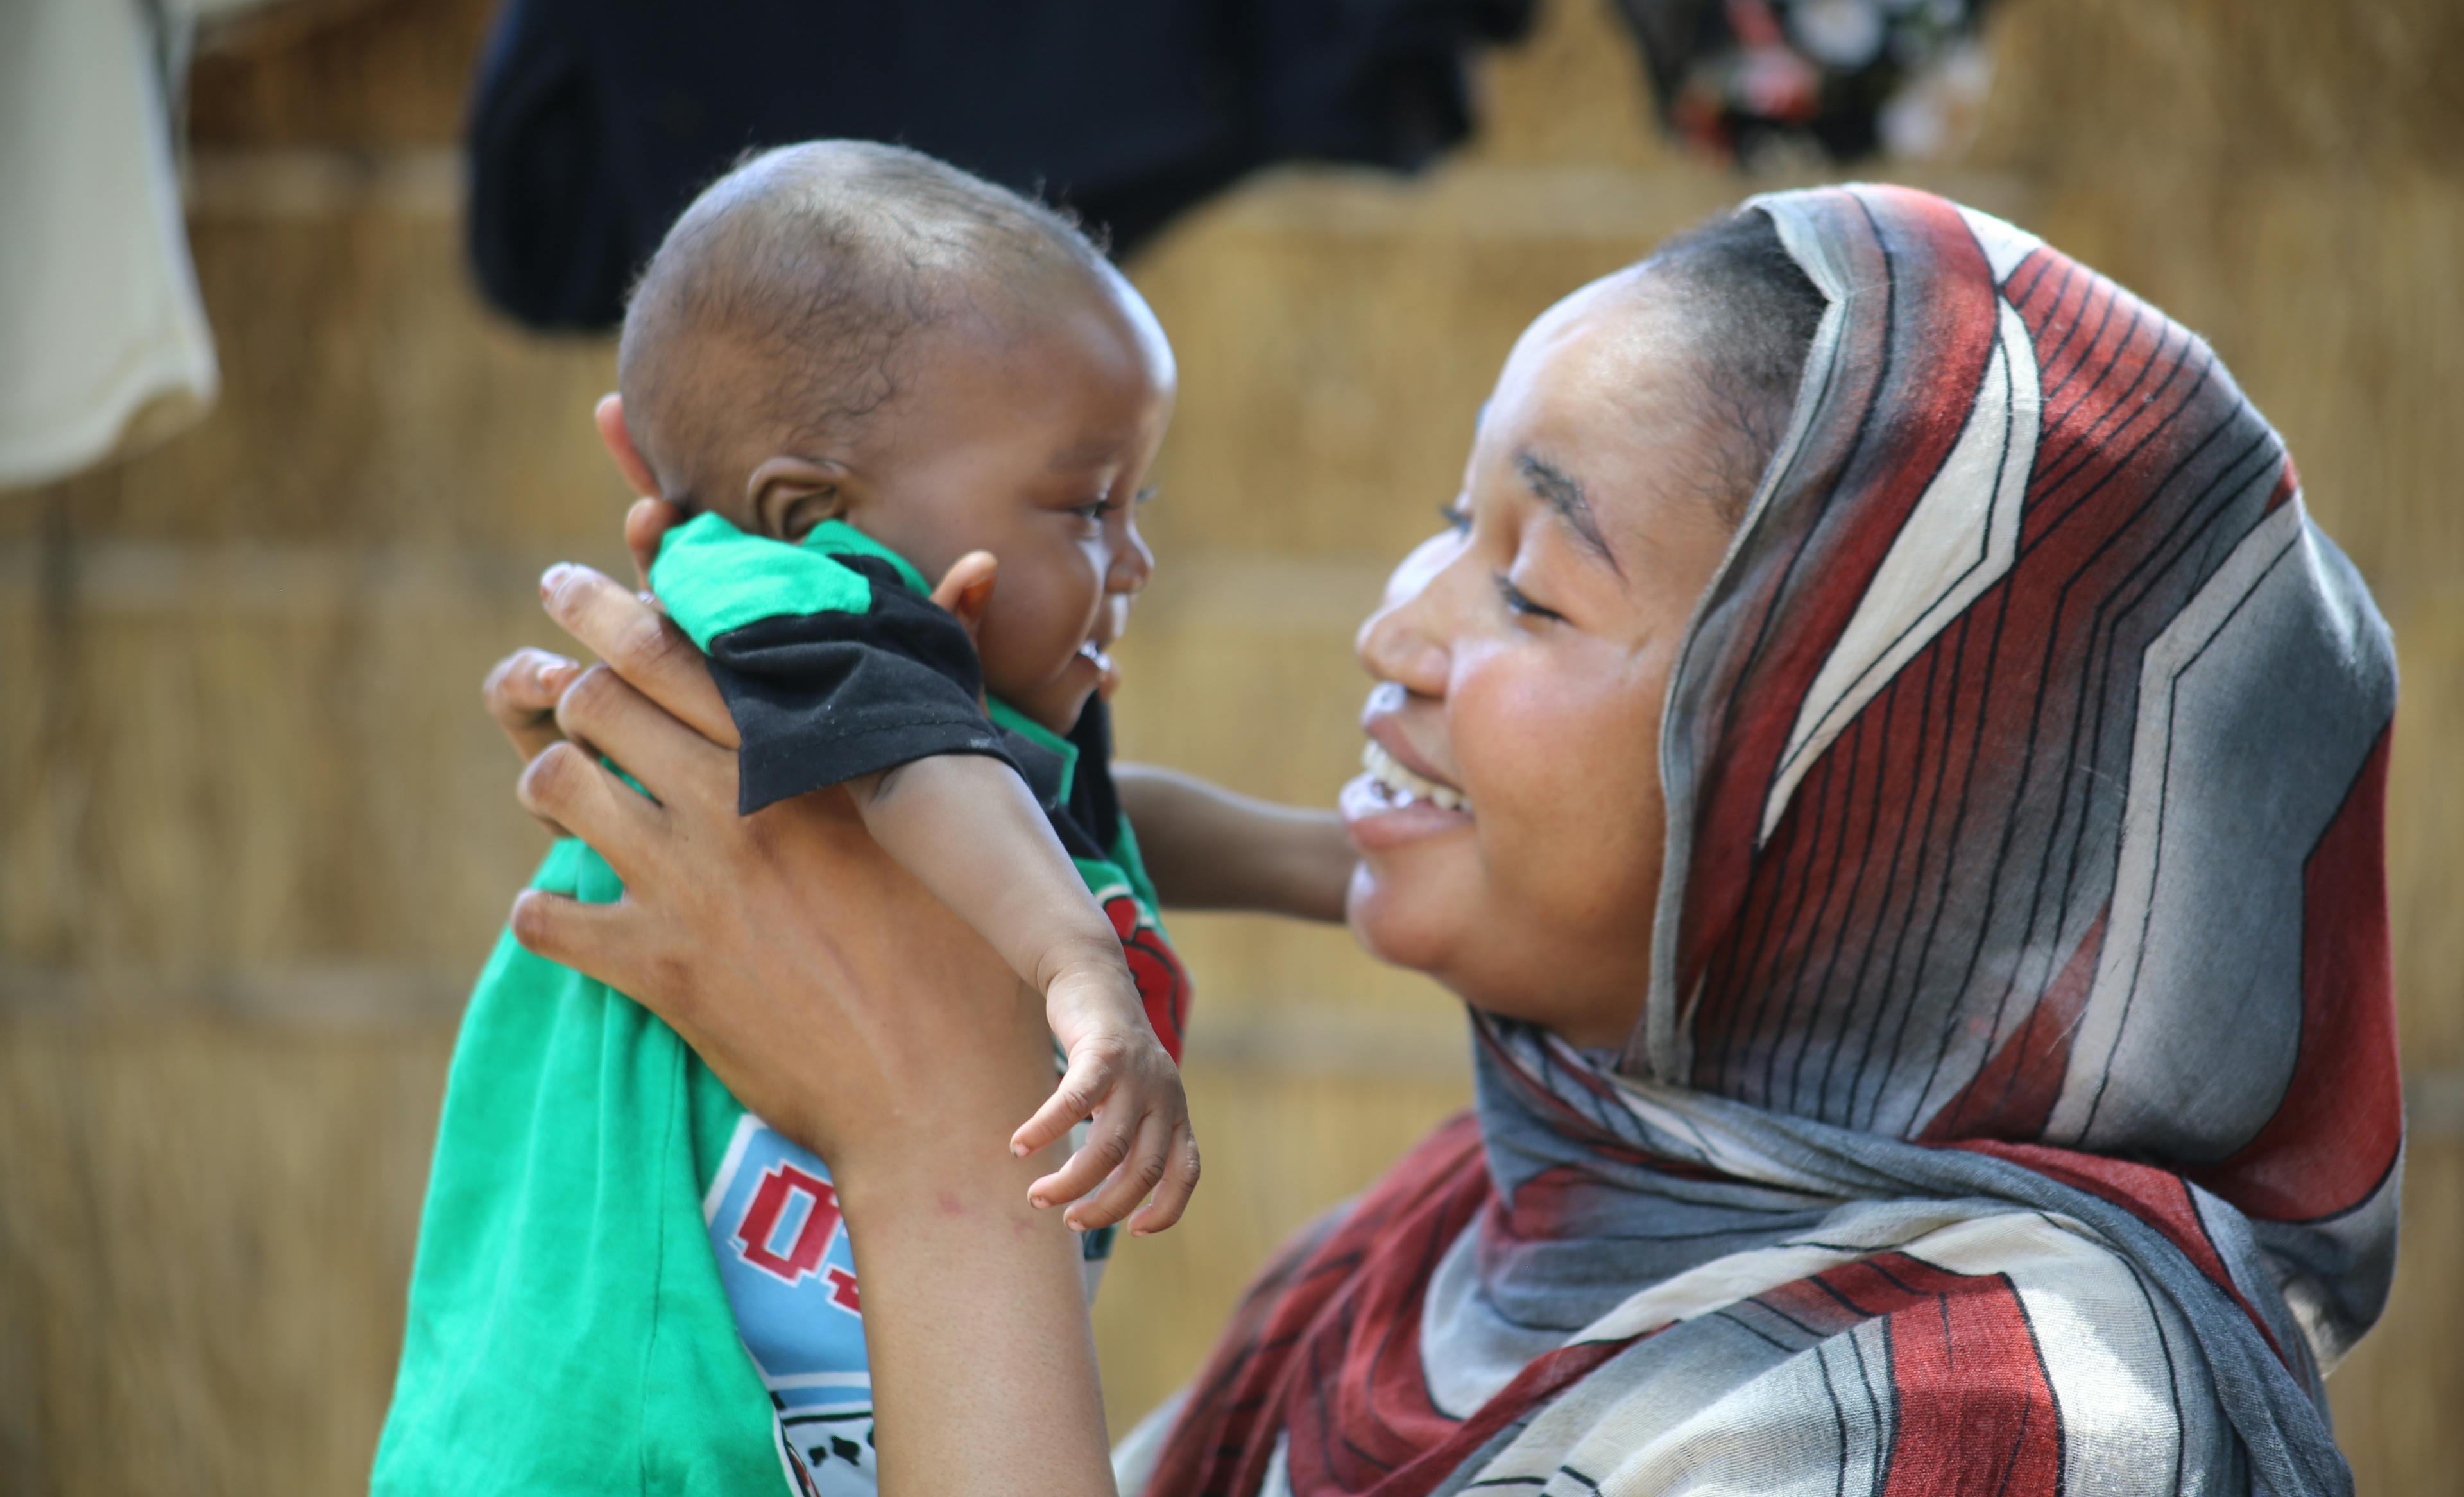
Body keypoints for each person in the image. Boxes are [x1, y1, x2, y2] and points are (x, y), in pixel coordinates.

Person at [482, 184, 2399, 1495]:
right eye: (1440, 524)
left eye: (1536, 591)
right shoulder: (1415, 1276)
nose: (1396, 632)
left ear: (1890, 809)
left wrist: (933, 1162)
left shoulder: (2000, 1420)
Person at [376, 142, 1358, 1495]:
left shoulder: (956, 722)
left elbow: (1090, 818)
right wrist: (1081, 969)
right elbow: (921, 779)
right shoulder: (786, 593)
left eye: (1141, 503)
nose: (1134, 559)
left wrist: (1340, 865)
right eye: (1085, 503)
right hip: (625, 1437)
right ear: (811, 511)